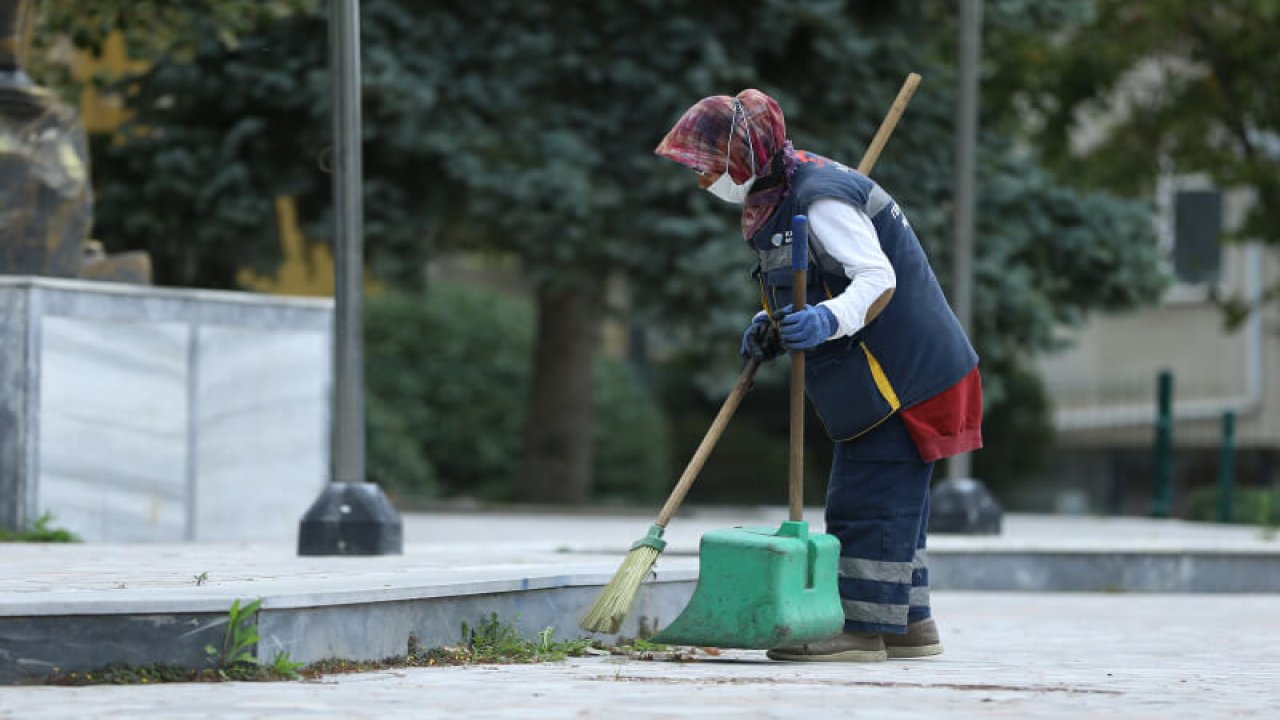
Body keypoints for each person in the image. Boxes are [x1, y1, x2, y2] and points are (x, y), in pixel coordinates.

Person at [655, 89, 983, 662]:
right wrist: (772, 322)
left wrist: (824, 319)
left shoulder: (821, 197)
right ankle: (908, 623)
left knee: (868, 500)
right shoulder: (779, 194)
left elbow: (875, 281)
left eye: (709, 167)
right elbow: (810, 282)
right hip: (883, 379)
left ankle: (860, 628)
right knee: (894, 501)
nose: (703, 180)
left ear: (746, 156)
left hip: (904, 380)